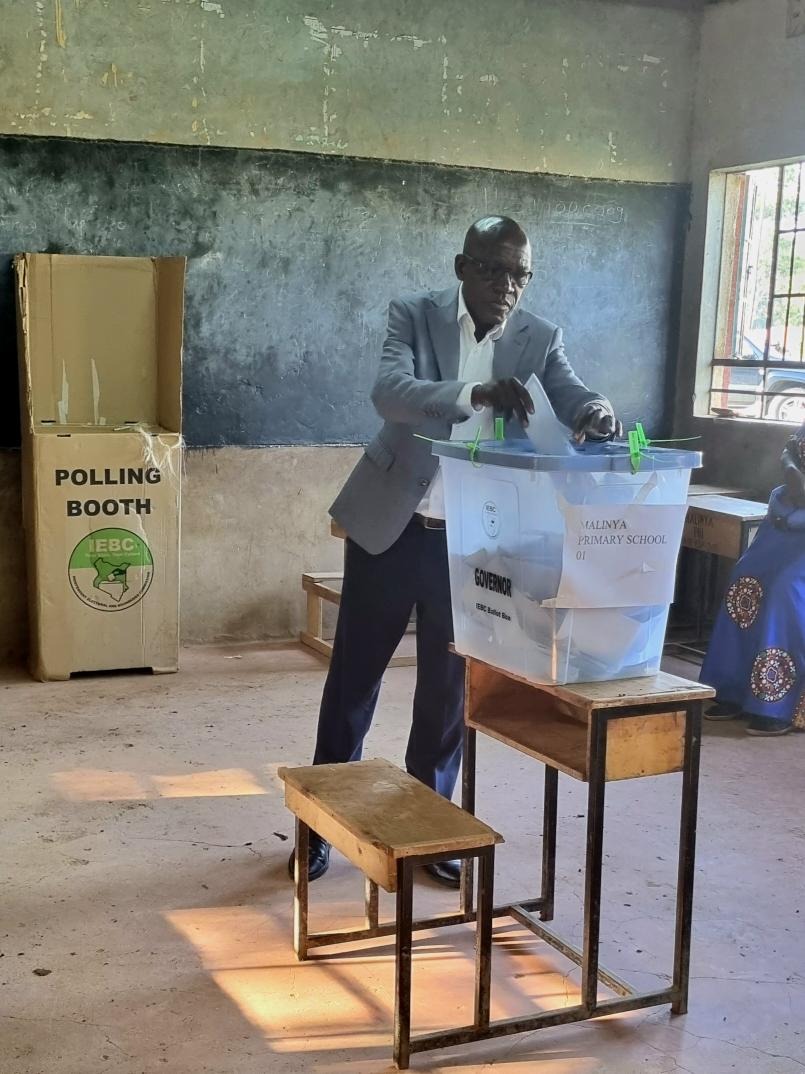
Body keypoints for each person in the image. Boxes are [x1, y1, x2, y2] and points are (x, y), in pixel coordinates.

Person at [292, 215, 620, 885]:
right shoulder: (412, 316)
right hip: (392, 526)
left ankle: (430, 828)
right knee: (355, 678)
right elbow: (391, 394)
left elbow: (571, 391)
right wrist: (473, 394)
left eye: (520, 276)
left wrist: (595, 411)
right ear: (461, 266)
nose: (507, 288)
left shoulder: (538, 337)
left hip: (470, 544)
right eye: (494, 271)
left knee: (445, 694)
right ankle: (321, 823)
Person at [701, 422, 805, 736]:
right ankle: (734, 690)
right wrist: (792, 472)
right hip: (787, 517)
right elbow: (789, 452)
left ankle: (776, 704)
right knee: (743, 581)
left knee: (782, 591)